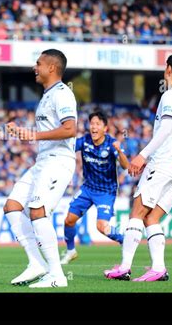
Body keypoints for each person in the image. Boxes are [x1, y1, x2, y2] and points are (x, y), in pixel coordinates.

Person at [104, 53, 172, 281]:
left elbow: (166, 129)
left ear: (168, 69)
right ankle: (158, 268)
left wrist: (142, 155)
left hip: (163, 162)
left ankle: (124, 267)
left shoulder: (170, 95)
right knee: (151, 218)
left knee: (136, 212)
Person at [4, 49, 77, 288]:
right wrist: (25, 133)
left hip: (58, 160)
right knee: (13, 205)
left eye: (38, 63)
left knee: (38, 210)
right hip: (43, 161)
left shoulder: (63, 94)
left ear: (51, 68)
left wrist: (33, 135)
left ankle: (57, 275)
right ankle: (36, 263)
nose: (34, 68)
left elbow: (70, 129)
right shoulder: (46, 95)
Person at [60, 108, 129, 265]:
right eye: (92, 123)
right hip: (87, 189)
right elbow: (67, 147)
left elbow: (125, 166)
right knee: (69, 220)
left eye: (97, 124)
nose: (93, 127)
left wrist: (120, 151)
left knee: (102, 227)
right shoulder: (84, 141)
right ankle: (71, 251)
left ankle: (125, 240)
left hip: (106, 192)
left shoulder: (112, 144)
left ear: (105, 128)